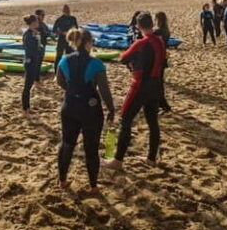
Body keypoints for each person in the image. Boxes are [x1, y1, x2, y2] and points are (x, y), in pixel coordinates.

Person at [102, 12, 166, 170]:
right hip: (156, 86)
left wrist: (133, 64)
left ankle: (117, 161)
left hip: (140, 86)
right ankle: (151, 158)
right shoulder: (160, 41)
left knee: (125, 120)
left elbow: (123, 57)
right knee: (153, 122)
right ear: (152, 23)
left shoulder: (141, 42)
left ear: (138, 26)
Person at [56, 28, 115, 191]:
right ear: (88, 43)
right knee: (91, 148)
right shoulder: (96, 64)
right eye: (92, 42)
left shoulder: (64, 61)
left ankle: (62, 180)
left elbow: (59, 81)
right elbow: (104, 91)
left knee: (67, 144)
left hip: (69, 107)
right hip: (90, 110)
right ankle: (94, 186)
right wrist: (111, 109)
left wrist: (73, 91)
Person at [22, 14, 44, 116]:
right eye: (37, 21)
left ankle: (27, 108)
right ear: (33, 22)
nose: (38, 23)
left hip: (34, 61)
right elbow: (31, 50)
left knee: (29, 86)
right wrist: (38, 47)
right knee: (27, 86)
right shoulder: (29, 35)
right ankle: (25, 109)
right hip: (30, 62)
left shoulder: (33, 33)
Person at [153, 11, 172, 113]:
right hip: (163, 57)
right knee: (159, 81)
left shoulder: (158, 32)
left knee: (158, 82)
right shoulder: (166, 30)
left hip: (157, 59)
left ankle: (163, 104)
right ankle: (161, 103)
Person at [52, 4, 78, 71]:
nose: (67, 11)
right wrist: (62, 33)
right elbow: (54, 30)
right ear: (63, 11)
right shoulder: (59, 19)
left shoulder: (73, 19)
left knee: (70, 56)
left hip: (70, 41)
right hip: (61, 40)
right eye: (66, 10)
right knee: (59, 57)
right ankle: (56, 72)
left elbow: (77, 28)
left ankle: (70, 71)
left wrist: (74, 34)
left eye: (68, 10)